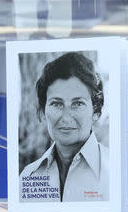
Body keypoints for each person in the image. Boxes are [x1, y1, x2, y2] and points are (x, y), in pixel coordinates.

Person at [20, 52, 109, 202]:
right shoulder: (27, 177)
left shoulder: (115, 171)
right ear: (42, 112)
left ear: (96, 111)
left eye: (78, 103)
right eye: (57, 104)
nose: (66, 117)